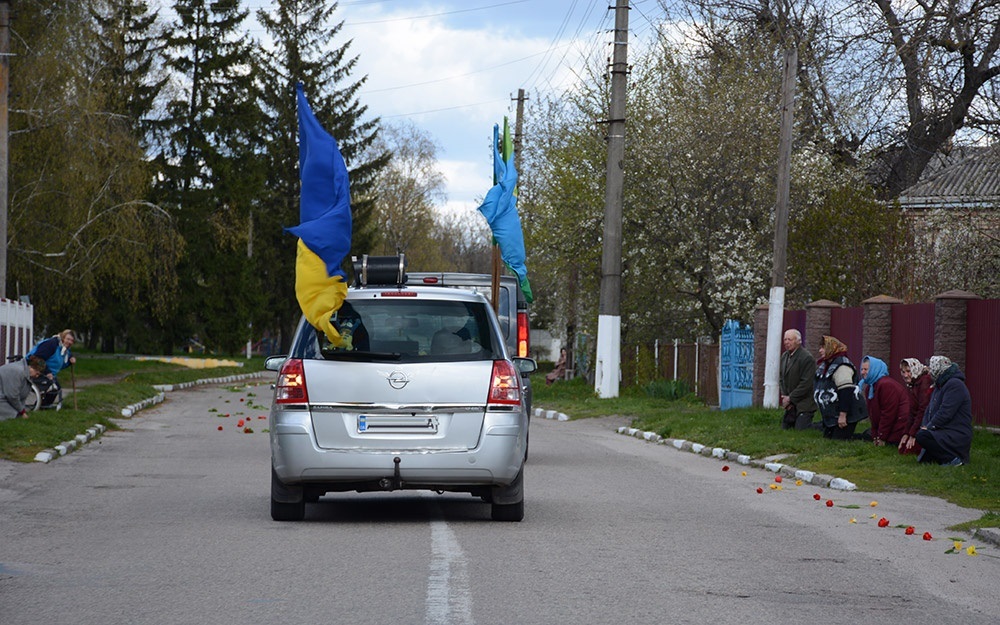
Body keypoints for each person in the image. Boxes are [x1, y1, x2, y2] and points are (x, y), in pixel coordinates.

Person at [915, 356, 973, 466]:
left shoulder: (955, 385)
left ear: (939, 369)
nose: (930, 371)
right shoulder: (940, 385)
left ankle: (953, 459)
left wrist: (929, 427)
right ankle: (941, 457)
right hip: (943, 430)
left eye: (932, 368)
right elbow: (929, 410)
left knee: (922, 436)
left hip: (956, 432)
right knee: (923, 440)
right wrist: (925, 425)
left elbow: (946, 412)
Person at [813, 335, 867, 440]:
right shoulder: (826, 365)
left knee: (839, 440)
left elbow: (846, 391)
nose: (820, 350)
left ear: (831, 348)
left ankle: (865, 438)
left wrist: (843, 415)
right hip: (833, 415)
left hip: (846, 413)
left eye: (823, 347)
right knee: (828, 439)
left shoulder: (842, 366)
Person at [859, 355, 911, 446]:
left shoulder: (885, 385)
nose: (863, 372)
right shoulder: (870, 387)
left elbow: (888, 413)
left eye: (866, 369)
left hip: (899, 427)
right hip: (889, 427)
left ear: (874, 369)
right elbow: (873, 414)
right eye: (862, 369)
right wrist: (876, 435)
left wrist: (882, 437)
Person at [779, 329, 817, 429]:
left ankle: (825, 426)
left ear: (798, 341)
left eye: (790, 339)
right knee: (786, 428)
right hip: (790, 403)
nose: (787, 342)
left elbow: (806, 383)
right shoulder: (784, 356)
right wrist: (785, 397)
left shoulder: (806, 358)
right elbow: (782, 378)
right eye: (785, 339)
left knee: (802, 429)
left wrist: (791, 398)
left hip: (804, 403)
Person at [899, 358, 932, 455]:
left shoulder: (924, 382)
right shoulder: (913, 384)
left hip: (928, 424)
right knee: (903, 448)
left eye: (908, 371)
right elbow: (912, 411)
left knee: (909, 450)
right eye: (903, 372)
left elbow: (923, 409)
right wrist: (906, 433)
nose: (905, 375)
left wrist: (912, 434)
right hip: (919, 423)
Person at [0, 356, 47, 420]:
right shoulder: (18, 372)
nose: (37, 376)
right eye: (37, 373)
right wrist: (22, 411)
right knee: (14, 416)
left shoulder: (24, 372)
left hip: (4, 396)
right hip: (2, 398)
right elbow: (12, 395)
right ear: (31, 368)